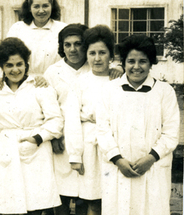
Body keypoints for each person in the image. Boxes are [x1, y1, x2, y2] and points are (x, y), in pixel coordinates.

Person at [95, 34, 180, 215]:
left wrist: (150, 159)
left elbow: (171, 133)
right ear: (123, 63)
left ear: (151, 63)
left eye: (142, 61)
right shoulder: (109, 90)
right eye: (131, 61)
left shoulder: (165, 92)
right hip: (118, 169)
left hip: (153, 169)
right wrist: (118, 160)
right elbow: (102, 130)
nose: (136, 67)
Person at [44, 24, 123, 215]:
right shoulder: (54, 73)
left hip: (103, 141)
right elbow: (53, 109)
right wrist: (59, 140)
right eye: (67, 44)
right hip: (68, 137)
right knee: (64, 194)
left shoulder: (111, 75)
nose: (73, 49)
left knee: (94, 197)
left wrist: (118, 69)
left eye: (78, 44)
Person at [0, 37, 63, 215]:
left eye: (19, 64)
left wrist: (37, 138)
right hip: (7, 148)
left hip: (36, 147)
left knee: (35, 204)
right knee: (6, 205)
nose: (15, 69)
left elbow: (56, 120)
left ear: (26, 63)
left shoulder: (39, 87)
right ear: (2, 67)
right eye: (9, 65)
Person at [7, 0, 67, 75]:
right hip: (23, 80)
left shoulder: (63, 28)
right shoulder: (17, 28)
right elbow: (6, 57)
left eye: (45, 6)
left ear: (52, 7)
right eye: (36, 6)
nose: (41, 11)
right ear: (29, 8)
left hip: (54, 79)